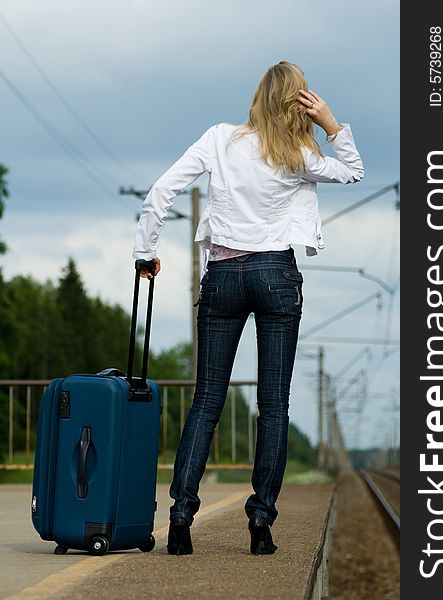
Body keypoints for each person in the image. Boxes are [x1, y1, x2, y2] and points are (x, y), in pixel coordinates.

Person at [133, 61, 364, 556]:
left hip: (222, 278)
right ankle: (260, 523)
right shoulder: (301, 152)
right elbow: (353, 171)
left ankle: (179, 517)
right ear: (297, 101)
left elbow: (160, 193)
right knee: (274, 405)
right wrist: (330, 122)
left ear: (257, 97)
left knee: (206, 401)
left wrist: (144, 253)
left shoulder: (220, 138)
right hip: (276, 279)